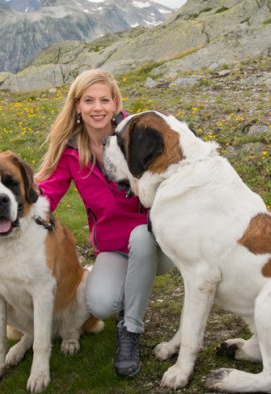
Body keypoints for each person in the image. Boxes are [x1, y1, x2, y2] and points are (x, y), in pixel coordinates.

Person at [35, 68, 173, 377]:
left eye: (104, 100)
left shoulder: (137, 135)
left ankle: (130, 331)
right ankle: (128, 297)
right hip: (112, 246)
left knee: (140, 237)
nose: (97, 108)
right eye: (89, 100)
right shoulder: (71, 150)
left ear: (115, 104)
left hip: (157, 241)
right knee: (99, 305)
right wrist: (16, 201)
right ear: (78, 107)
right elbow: (47, 193)